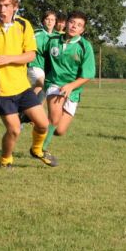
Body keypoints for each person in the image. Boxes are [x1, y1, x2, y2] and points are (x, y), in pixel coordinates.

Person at [0, 0, 57, 168]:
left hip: (22, 87)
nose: (2, 10)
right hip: (1, 90)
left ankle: (37, 150)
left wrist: (9, 59)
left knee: (43, 124)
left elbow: (30, 55)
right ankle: (5, 159)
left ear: (15, 6)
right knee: (14, 130)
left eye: (7, 5)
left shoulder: (24, 25)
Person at [41, 11, 96, 152]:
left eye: (79, 25)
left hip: (74, 90)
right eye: (72, 22)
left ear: (82, 30)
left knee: (59, 130)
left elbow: (88, 74)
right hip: (54, 83)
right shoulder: (52, 40)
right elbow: (37, 54)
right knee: (54, 118)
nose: (74, 26)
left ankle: (36, 120)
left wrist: (71, 86)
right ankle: (41, 149)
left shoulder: (85, 46)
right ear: (66, 23)